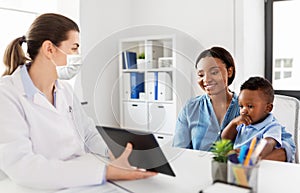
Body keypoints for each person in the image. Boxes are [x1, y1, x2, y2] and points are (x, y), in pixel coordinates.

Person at [0, 13, 156, 189]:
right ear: (49, 49)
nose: (78, 55)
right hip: (41, 186)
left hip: (82, 177)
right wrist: (106, 171)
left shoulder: (64, 89)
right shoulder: (7, 94)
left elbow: (88, 134)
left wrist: (114, 153)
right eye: (74, 48)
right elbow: (22, 167)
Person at [172, 46, 296, 162]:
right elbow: (178, 151)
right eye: (201, 75)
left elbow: (287, 146)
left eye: (214, 72)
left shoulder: (249, 106)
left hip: (236, 175)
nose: (206, 79)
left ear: (229, 71)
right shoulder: (191, 108)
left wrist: (250, 158)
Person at [221, 77, 283, 158]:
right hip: (236, 162)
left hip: (253, 164)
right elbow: (225, 138)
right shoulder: (242, 123)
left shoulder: (272, 126)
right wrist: (233, 123)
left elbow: (268, 143)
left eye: (250, 106)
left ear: (268, 108)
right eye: (241, 106)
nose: (244, 111)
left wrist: (251, 153)